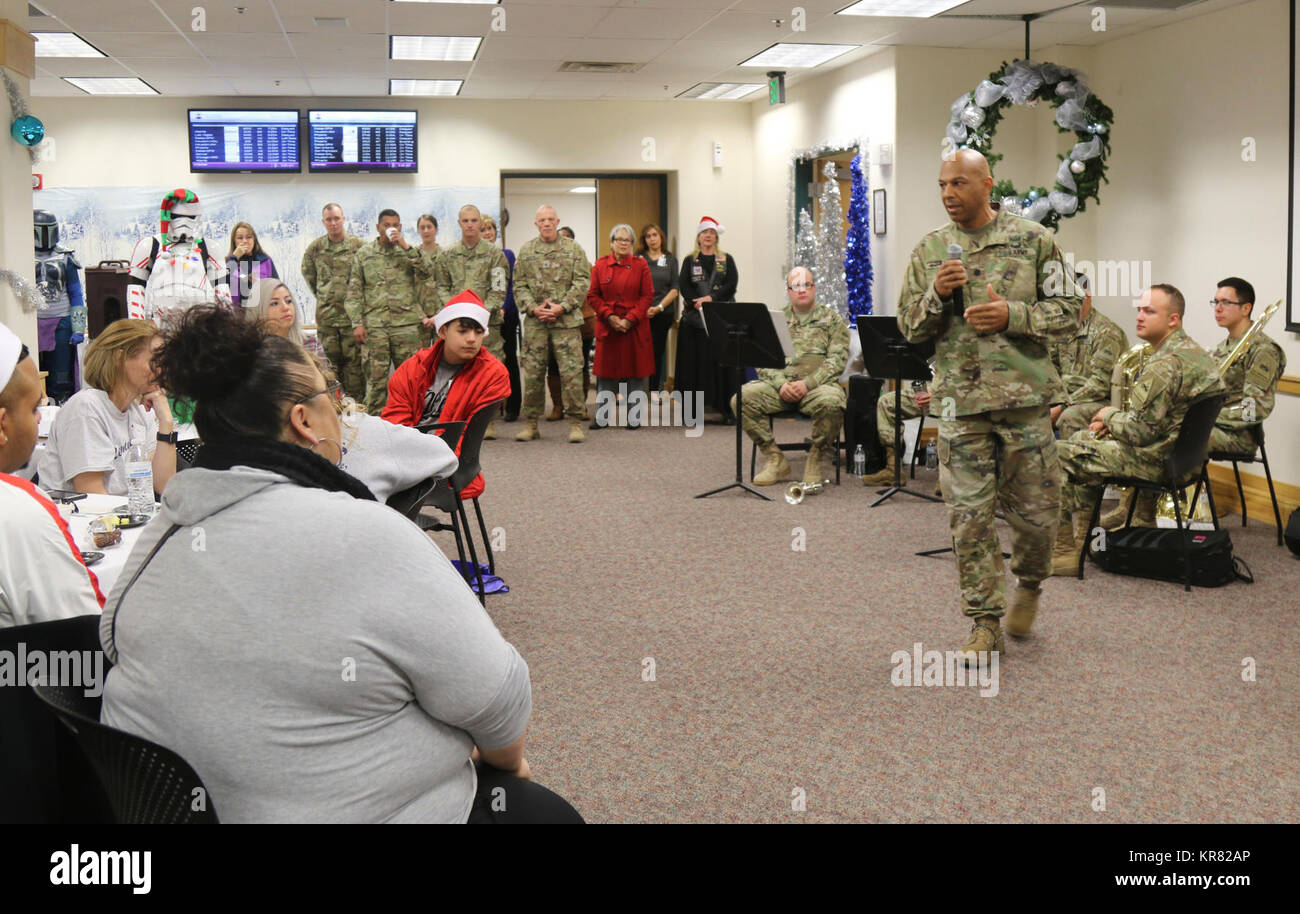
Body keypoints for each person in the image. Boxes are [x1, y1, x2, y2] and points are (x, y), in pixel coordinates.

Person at [98, 306, 576, 824]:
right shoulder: (370, 534)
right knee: (540, 810)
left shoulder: (159, 537)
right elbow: (499, 703)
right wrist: (509, 768)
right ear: (304, 422)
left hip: (162, 813)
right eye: (330, 397)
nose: (342, 419)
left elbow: (110, 639)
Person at [897, 149, 1082, 660]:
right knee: (969, 517)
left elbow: (1070, 313)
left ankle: (1031, 582)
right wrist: (935, 294)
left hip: (1025, 402)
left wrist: (1013, 315)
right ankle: (983, 623)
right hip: (960, 405)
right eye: (941, 185)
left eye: (958, 183)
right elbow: (909, 328)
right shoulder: (931, 248)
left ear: (987, 183)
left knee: (1038, 517)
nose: (948, 194)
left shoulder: (1035, 241)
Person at [1054, 284, 1225, 575]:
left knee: (1056, 452)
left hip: (1159, 461)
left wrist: (1109, 416)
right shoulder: (1195, 354)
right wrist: (1111, 422)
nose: (1140, 317)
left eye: (1149, 311)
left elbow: (1141, 433)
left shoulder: (1164, 364)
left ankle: (1067, 551)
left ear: (1173, 319)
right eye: (1139, 310)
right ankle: (1087, 540)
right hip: (1186, 460)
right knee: (1083, 439)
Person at [0, 323, 105, 628]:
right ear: (3, 424)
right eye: (34, 408)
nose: (39, 419)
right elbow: (85, 638)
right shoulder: (17, 509)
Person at [382, 291, 511, 500]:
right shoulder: (413, 368)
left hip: (449, 464)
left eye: (478, 332)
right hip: (406, 454)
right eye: (463, 331)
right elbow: (395, 419)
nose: (471, 339)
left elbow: (466, 435)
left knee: (376, 488)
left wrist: (426, 461)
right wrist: (405, 455)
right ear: (443, 331)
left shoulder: (493, 375)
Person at [732, 267, 848, 485]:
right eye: (796, 286)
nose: (802, 290)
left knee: (834, 402)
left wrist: (807, 384)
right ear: (788, 290)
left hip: (817, 389)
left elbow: (837, 361)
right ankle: (775, 459)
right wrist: (781, 384)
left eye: (807, 285)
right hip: (779, 389)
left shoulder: (833, 320)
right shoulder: (774, 320)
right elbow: (762, 360)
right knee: (741, 399)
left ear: (815, 288)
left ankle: (815, 457)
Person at [37, 319, 177, 497]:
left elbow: (163, 486)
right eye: (156, 359)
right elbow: (94, 499)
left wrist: (166, 421)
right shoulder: (86, 408)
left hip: (126, 516)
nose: (162, 369)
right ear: (120, 358)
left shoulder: (140, 409)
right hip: (82, 520)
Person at [344, 209, 438, 415]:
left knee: (410, 379)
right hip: (375, 327)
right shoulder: (364, 254)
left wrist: (405, 246)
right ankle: (374, 428)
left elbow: (427, 271)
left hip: (405, 326)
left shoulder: (408, 252)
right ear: (378, 227)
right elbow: (354, 291)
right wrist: (356, 323)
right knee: (376, 382)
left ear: (401, 227)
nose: (390, 228)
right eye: (386, 225)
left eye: (395, 224)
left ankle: (412, 423)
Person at [513, 205, 592, 444]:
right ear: (535, 224)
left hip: (566, 322)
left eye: (550, 219)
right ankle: (531, 424)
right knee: (534, 374)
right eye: (541, 220)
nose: (546, 223)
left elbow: (582, 282)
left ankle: (576, 423)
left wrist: (562, 307)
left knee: (572, 374)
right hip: (537, 323)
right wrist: (532, 308)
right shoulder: (526, 251)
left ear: (557, 221)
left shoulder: (574, 249)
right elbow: (519, 285)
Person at [432, 206, 510, 438]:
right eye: (465, 220)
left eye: (474, 220)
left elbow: (498, 290)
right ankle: (455, 418)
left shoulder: (494, 254)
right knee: (455, 371)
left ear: (480, 223)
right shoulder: (447, 255)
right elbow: (441, 287)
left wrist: (479, 313)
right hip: (456, 326)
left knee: (487, 372)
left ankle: (488, 421)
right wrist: (457, 311)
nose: (470, 224)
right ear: (459, 223)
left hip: (486, 325)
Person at [1206, 276, 1286, 453]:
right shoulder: (1224, 347)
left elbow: (1254, 408)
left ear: (1246, 308)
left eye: (1226, 302)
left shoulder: (1263, 350)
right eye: (1216, 302)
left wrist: (1207, 417)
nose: (1218, 309)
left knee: (1177, 438)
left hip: (1239, 437)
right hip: (1215, 426)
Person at [588, 224, 654, 429]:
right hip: (609, 326)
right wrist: (610, 316)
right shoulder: (600, 265)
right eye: (620, 239)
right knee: (606, 374)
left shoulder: (640, 265)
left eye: (628, 240)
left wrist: (630, 319)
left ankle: (634, 418)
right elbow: (593, 295)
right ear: (612, 243)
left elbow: (647, 295)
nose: (624, 243)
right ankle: (602, 417)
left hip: (634, 327)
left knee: (635, 374)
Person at [1049, 271, 1127, 440]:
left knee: (1069, 417)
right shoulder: (1062, 329)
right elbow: (1051, 369)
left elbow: (1099, 385)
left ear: (1087, 297)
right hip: (1067, 397)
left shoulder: (1107, 333)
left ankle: (1071, 464)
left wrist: (1062, 406)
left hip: (1099, 400)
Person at [676, 217, 738, 423]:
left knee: (723, 367)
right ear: (699, 236)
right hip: (694, 322)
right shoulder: (689, 260)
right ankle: (692, 412)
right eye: (704, 232)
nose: (708, 236)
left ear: (716, 236)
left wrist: (712, 299)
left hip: (720, 321)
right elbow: (683, 285)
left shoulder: (726, 259)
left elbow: (731, 284)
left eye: (712, 232)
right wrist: (698, 301)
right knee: (694, 367)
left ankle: (727, 410)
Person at [301, 203, 365, 401]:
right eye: (329, 219)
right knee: (330, 369)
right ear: (323, 222)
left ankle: (358, 412)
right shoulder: (315, 249)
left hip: (351, 321)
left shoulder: (358, 247)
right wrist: (324, 297)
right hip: (327, 320)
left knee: (354, 370)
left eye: (337, 218)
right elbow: (309, 275)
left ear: (343, 219)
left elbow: (366, 279)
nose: (333, 223)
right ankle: (334, 413)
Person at [34, 209, 87, 404]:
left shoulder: (66, 257)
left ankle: (63, 411)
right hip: (32, 321)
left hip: (62, 323)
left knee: (61, 377)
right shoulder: (21, 255)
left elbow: (75, 293)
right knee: (33, 374)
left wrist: (78, 328)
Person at [859, 376, 936, 491]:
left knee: (952, 409)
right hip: (936, 386)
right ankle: (893, 470)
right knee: (887, 402)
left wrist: (940, 392)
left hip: (958, 394)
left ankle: (951, 477)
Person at [480, 215, 521, 422]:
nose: (488, 233)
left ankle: (513, 406)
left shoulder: (507, 254)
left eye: (491, 229)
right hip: (483, 317)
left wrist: (504, 308)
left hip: (506, 315)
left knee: (509, 359)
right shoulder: (477, 257)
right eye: (483, 229)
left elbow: (512, 285)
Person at [638, 223, 679, 393]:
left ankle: (654, 390)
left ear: (661, 237)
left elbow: (675, 289)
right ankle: (633, 390)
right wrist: (643, 308)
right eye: (648, 236)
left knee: (657, 352)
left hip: (663, 313)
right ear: (644, 240)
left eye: (655, 235)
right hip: (641, 313)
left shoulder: (670, 260)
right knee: (637, 352)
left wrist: (659, 307)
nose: (652, 239)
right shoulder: (638, 258)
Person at [244, 278, 321, 356]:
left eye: (288, 301)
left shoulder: (311, 344)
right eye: (275, 303)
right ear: (257, 310)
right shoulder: (248, 353)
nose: (285, 307)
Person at [225, 221, 279, 308]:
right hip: (235, 316)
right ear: (234, 241)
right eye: (240, 238)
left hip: (261, 313)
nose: (245, 241)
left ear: (254, 240)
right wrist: (235, 257)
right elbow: (221, 283)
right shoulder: (228, 262)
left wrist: (260, 285)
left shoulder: (265, 261)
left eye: (249, 237)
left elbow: (277, 288)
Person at [415, 214, 442, 348]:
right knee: (420, 360)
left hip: (442, 316)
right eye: (422, 227)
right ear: (418, 230)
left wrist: (439, 315)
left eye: (429, 227)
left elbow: (452, 287)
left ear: (436, 229)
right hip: (419, 318)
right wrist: (422, 317)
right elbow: (408, 289)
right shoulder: (413, 256)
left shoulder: (446, 255)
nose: (426, 231)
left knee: (442, 358)